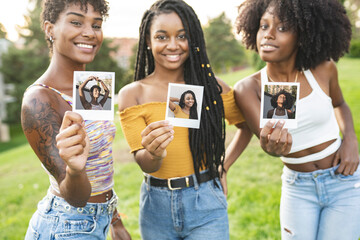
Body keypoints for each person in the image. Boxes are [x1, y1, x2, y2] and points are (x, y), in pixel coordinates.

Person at [118, 0, 252, 239]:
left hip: (205, 202)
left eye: (182, 36)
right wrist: (154, 153)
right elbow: (145, 162)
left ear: (194, 40)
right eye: (161, 37)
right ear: (148, 42)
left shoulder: (212, 88)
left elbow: (245, 127)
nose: (173, 45)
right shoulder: (132, 93)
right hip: (155, 207)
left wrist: (224, 167)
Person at [233, 0, 360, 239]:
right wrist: (271, 147)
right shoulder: (248, 88)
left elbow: (340, 104)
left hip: (342, 179)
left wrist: (350, 139)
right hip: (297, 188)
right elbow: (269, 142)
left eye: (282, 28)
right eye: (263, 26)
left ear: (302, 35)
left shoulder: (324, 69)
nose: (268, 35)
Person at [21, 0, 130, 239]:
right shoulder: (39, 100)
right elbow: (75, 196)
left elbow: (101, 163)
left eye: (97, 24)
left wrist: (115, 220)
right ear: (50, 29)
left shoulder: (94, 87)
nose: (89, 33)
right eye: (76, 22)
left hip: (99, 219)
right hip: (65, 226)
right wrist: (75, 169)